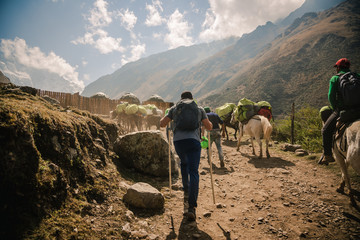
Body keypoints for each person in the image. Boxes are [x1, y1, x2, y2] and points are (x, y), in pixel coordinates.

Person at [160, 91, 212, 221]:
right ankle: (191, 207)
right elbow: (209, 127)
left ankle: (186, 189)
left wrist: (171, 117)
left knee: (184, 163)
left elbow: (162, 123)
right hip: (194, 142)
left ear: (181, 99)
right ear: (192, 99)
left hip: (179, 142)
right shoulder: (199, 108)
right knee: (193, 171)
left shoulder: (175, 108)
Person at [319, 58, 350, 165]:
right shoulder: (357, 76)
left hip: (342, 110)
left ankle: (327, 155)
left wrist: (335, 109)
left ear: (338, 68)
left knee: (325, 130)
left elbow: (331, 97)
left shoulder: (335, 79)